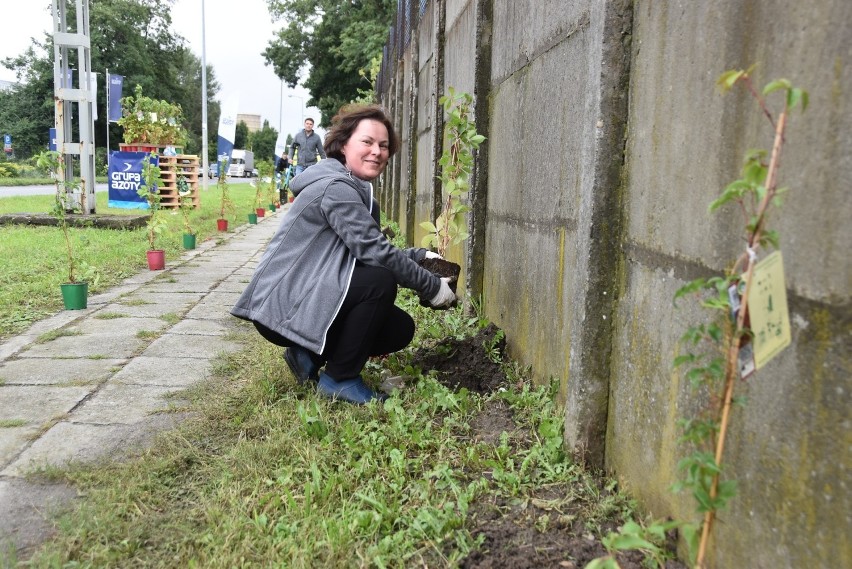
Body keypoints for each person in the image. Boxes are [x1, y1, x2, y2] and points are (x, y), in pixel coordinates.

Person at [231, 104, 456, 404]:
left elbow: (364, 249)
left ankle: (307, 354)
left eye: (384, 145)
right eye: (367, 142)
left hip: (304, 295)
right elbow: (375, 254)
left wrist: (416, 256)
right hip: (282, 306)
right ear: (343, 144)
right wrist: (432, 288)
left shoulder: (353, 189)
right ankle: (340, 378)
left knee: (398, 329)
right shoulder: (337, 188)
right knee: (379, 282)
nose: (377, 151)